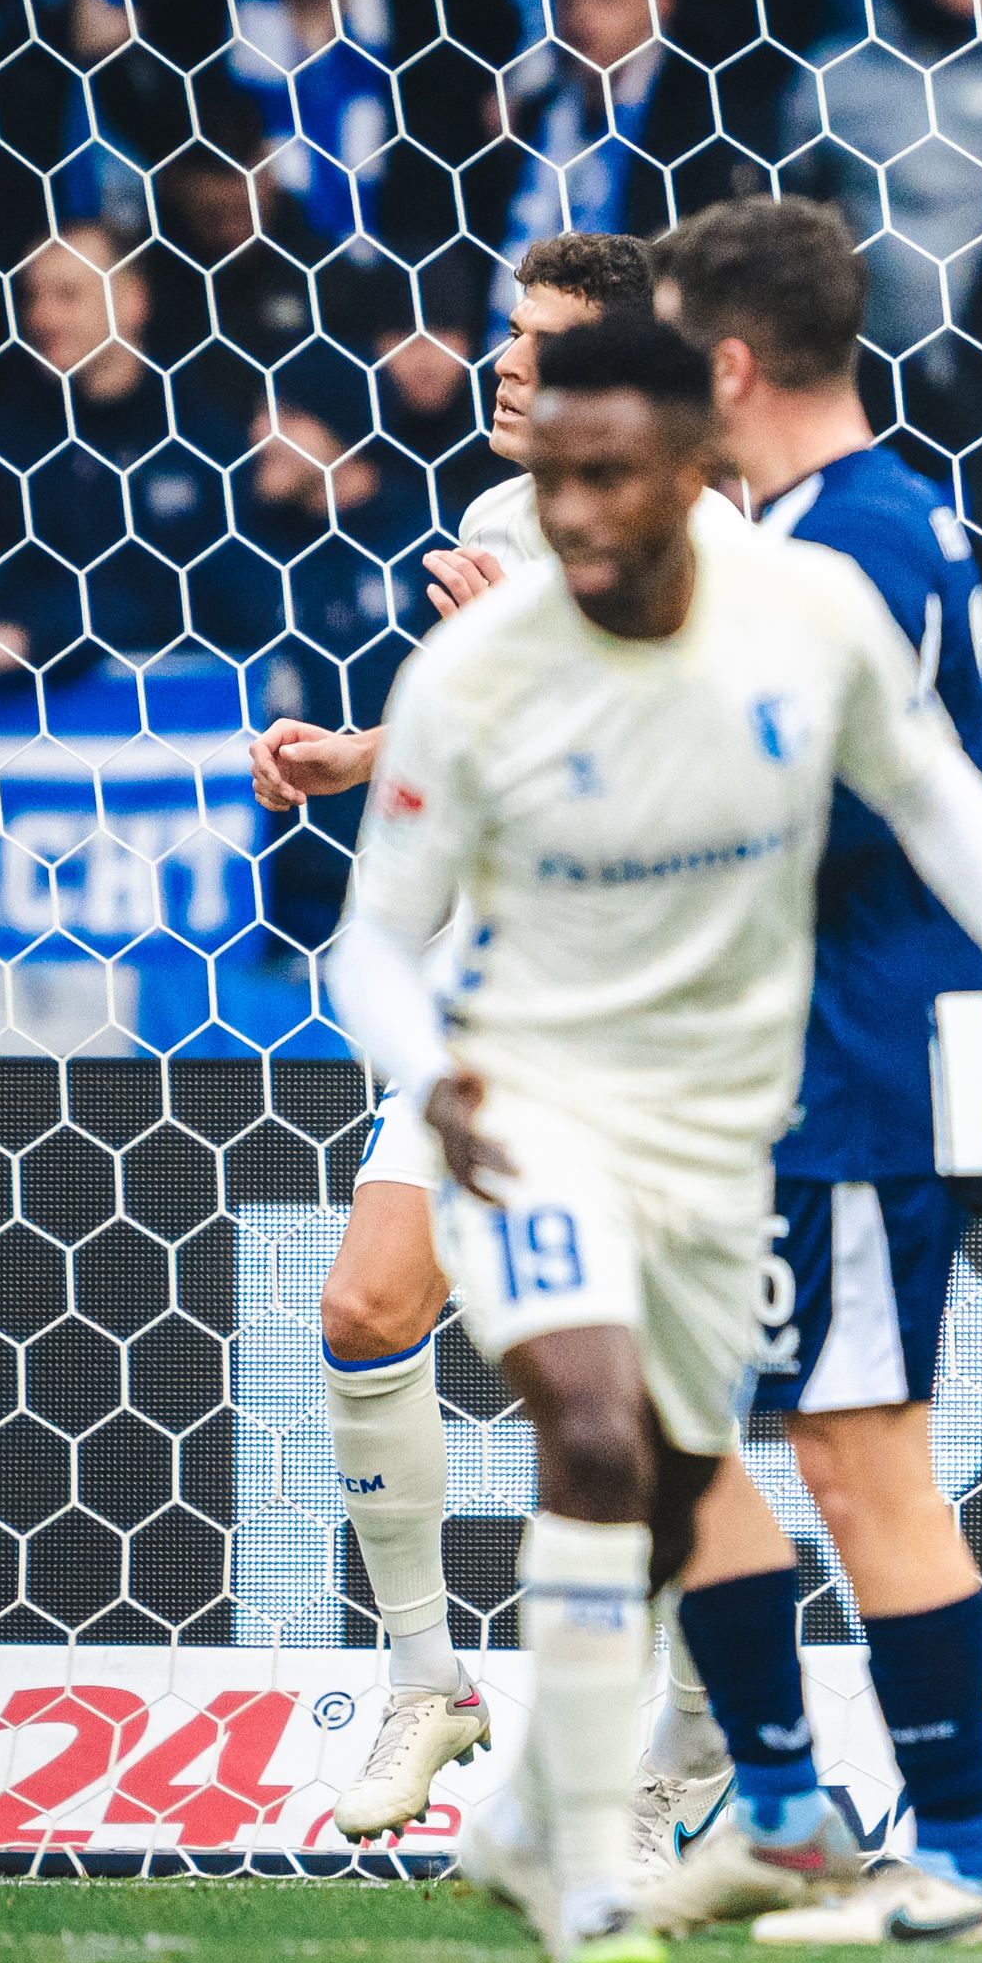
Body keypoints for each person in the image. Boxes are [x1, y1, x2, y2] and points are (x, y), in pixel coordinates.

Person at [323, 308, 982, 1963]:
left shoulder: (807, 611)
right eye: (551, 479)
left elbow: (938, 789)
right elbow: (371, 942)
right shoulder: (473, 669)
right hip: (532, 1099)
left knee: (686, 1456)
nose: (579, 518)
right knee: (599, 1431)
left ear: (698, 467)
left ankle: (581, 1804)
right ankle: (602, 1860)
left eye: (613, 479)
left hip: (728, 1114)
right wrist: (434, 1078)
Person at [638, 194, 982, 1946]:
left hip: (848, 1053)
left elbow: (855, 805)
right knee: (672, 1414)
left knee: (857, 1451)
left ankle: (953, 1855)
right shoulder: (825, 525)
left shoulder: (842, 548)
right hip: (805, 1050)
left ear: (729, 361)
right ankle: (784, 1806)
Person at [240, 231, 674, 1850]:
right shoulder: (502, 518)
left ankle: (659, 1760)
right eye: (507, 333)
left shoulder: (701, 527)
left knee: (637, 1401)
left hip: (641, 1004)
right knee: (363, 1308)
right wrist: (351, 756)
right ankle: (432, 1679)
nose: (503, 364)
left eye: (543, 343)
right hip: (492, 997)